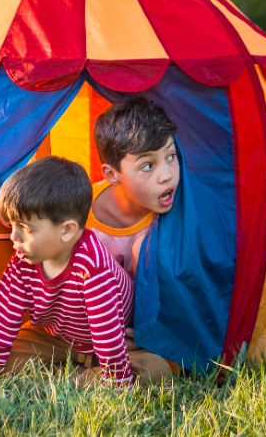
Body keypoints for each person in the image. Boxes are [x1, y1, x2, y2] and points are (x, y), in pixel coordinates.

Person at [0, 156, 136, 385]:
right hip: (57, 341)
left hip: (113, 343)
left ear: (67, 231)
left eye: (25, 229)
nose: (14, 237)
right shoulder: (22, 261)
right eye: (13, 226)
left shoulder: (93, 267)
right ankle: (76, 376)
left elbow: (108, 336)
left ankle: (82, 376)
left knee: (152, 369)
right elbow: (2, 319)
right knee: (2, 361)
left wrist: (117, 381)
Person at [88, 96, 178, 382]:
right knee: (23, 345)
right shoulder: (79, 212)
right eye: (148, 166)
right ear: (112, 174)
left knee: (158, 370)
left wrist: (146, 333)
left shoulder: (175, 219)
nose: (167, 175)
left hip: (134, 338)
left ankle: (84, 377)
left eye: (171, 156)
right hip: (79, 329)